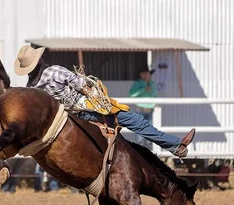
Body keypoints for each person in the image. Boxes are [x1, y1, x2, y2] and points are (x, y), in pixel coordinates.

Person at [10, 45, 195, 157]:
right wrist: (92, 92)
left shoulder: (32, 86)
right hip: (84, 107)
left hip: (66, 117)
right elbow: (79, 82)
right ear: (39, 58)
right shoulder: (54, 71)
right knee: (135, 121)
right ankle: (176, 146)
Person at [129, 66, 157, 148]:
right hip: (140, 108)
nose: (145, 75)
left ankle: (149, 151)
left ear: (149, 74)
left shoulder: (153, 84)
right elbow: (132, 94)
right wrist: (143, 90)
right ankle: (139, 150)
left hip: (150, 109)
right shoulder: (137, 83)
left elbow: (154, 95)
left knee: (149, 130)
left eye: (147, 73)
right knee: (139, 131)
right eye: (144, 73)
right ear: (141, 74)